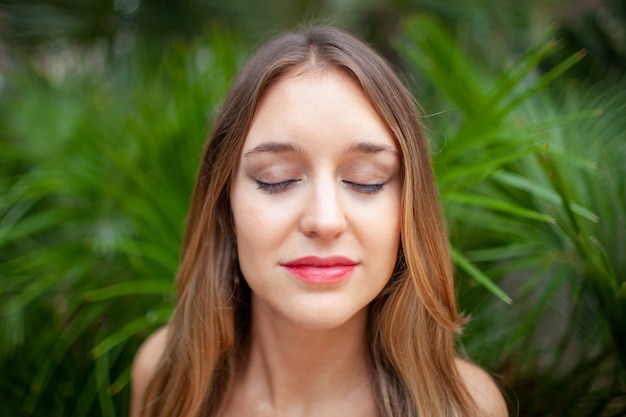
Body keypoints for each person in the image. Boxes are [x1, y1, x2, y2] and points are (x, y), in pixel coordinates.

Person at [130, 25, 508, 417]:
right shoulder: (166, 374)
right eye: (276, 179)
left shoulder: (467, 407)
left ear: (408, 209)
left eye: (366, 181)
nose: (325, 221)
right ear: (225, 204)